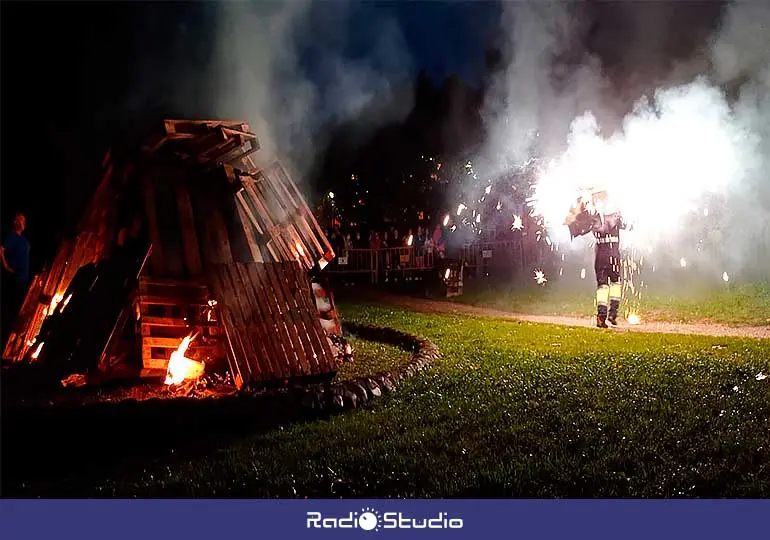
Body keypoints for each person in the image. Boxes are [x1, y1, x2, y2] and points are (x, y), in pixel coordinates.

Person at [566, 191, 627, 328]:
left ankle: (601, 316)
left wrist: (571, 218)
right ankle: (613, 313)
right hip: (614, 254)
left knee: (602, 286)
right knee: (616, 282)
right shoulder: (615, 215)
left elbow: (577, 230)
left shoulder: (593, 216)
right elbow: (630, 225)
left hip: (601, 254)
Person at [1, 212, 31, 345]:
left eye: (22, 220)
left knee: (18, 310)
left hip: (23, 279)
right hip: (15, 280)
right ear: (14, 222)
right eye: (18, 219)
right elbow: (1, 250)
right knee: (10, 310)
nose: (20, 221)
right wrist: (6, 267)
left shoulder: (24, 240)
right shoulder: (12, 236)